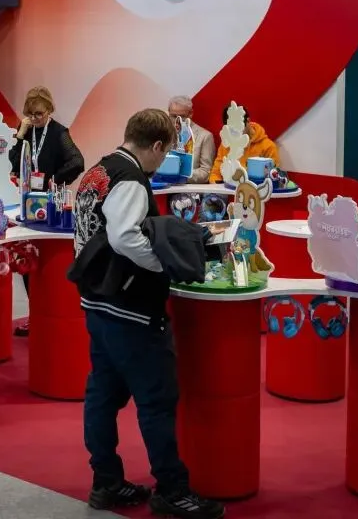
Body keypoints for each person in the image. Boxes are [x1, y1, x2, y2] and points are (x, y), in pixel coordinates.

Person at [71, 109, 224, 519]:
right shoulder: (131, 180)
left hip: (97, 300)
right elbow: (125, 237)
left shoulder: (98, 171)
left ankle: (105, 481)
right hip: (130, 308)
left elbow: (85, 233)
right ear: (157, 145)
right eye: (166, 152)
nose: (163, 161)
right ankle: (172, 489)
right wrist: (161, 265)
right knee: (156, 400)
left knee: (102, 395)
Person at [8, 86, 85, 337]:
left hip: (51, 203)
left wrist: (56, 179)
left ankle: (48, 315)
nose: (35, 118)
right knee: (27, 260)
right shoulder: (26, 131)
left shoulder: (59, 132)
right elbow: (11, 160)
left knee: (47, 262)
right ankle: (35, 315)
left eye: (39, 114)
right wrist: (20, 133)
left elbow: (77, 161)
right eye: (30, 114)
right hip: (27, 201)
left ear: (49, 110)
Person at [208, 104, 280, 183]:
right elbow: (215, 174)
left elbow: (273, 179)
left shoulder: (268, 147)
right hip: (227, 189)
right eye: (231, 130)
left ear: (248, 121)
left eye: (238, 127)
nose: (235, 132)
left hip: (254, 189)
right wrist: (218, 186)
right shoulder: (225, 144)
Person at [166, 96, 215, 184]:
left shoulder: (205, 136)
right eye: (173, 116)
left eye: (182, 116)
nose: (177, 121)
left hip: (188, 188)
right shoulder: (161, 133)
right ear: (168, 113)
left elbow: (206, 172)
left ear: (190, 114)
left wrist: (178, 177)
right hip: (161, 187)